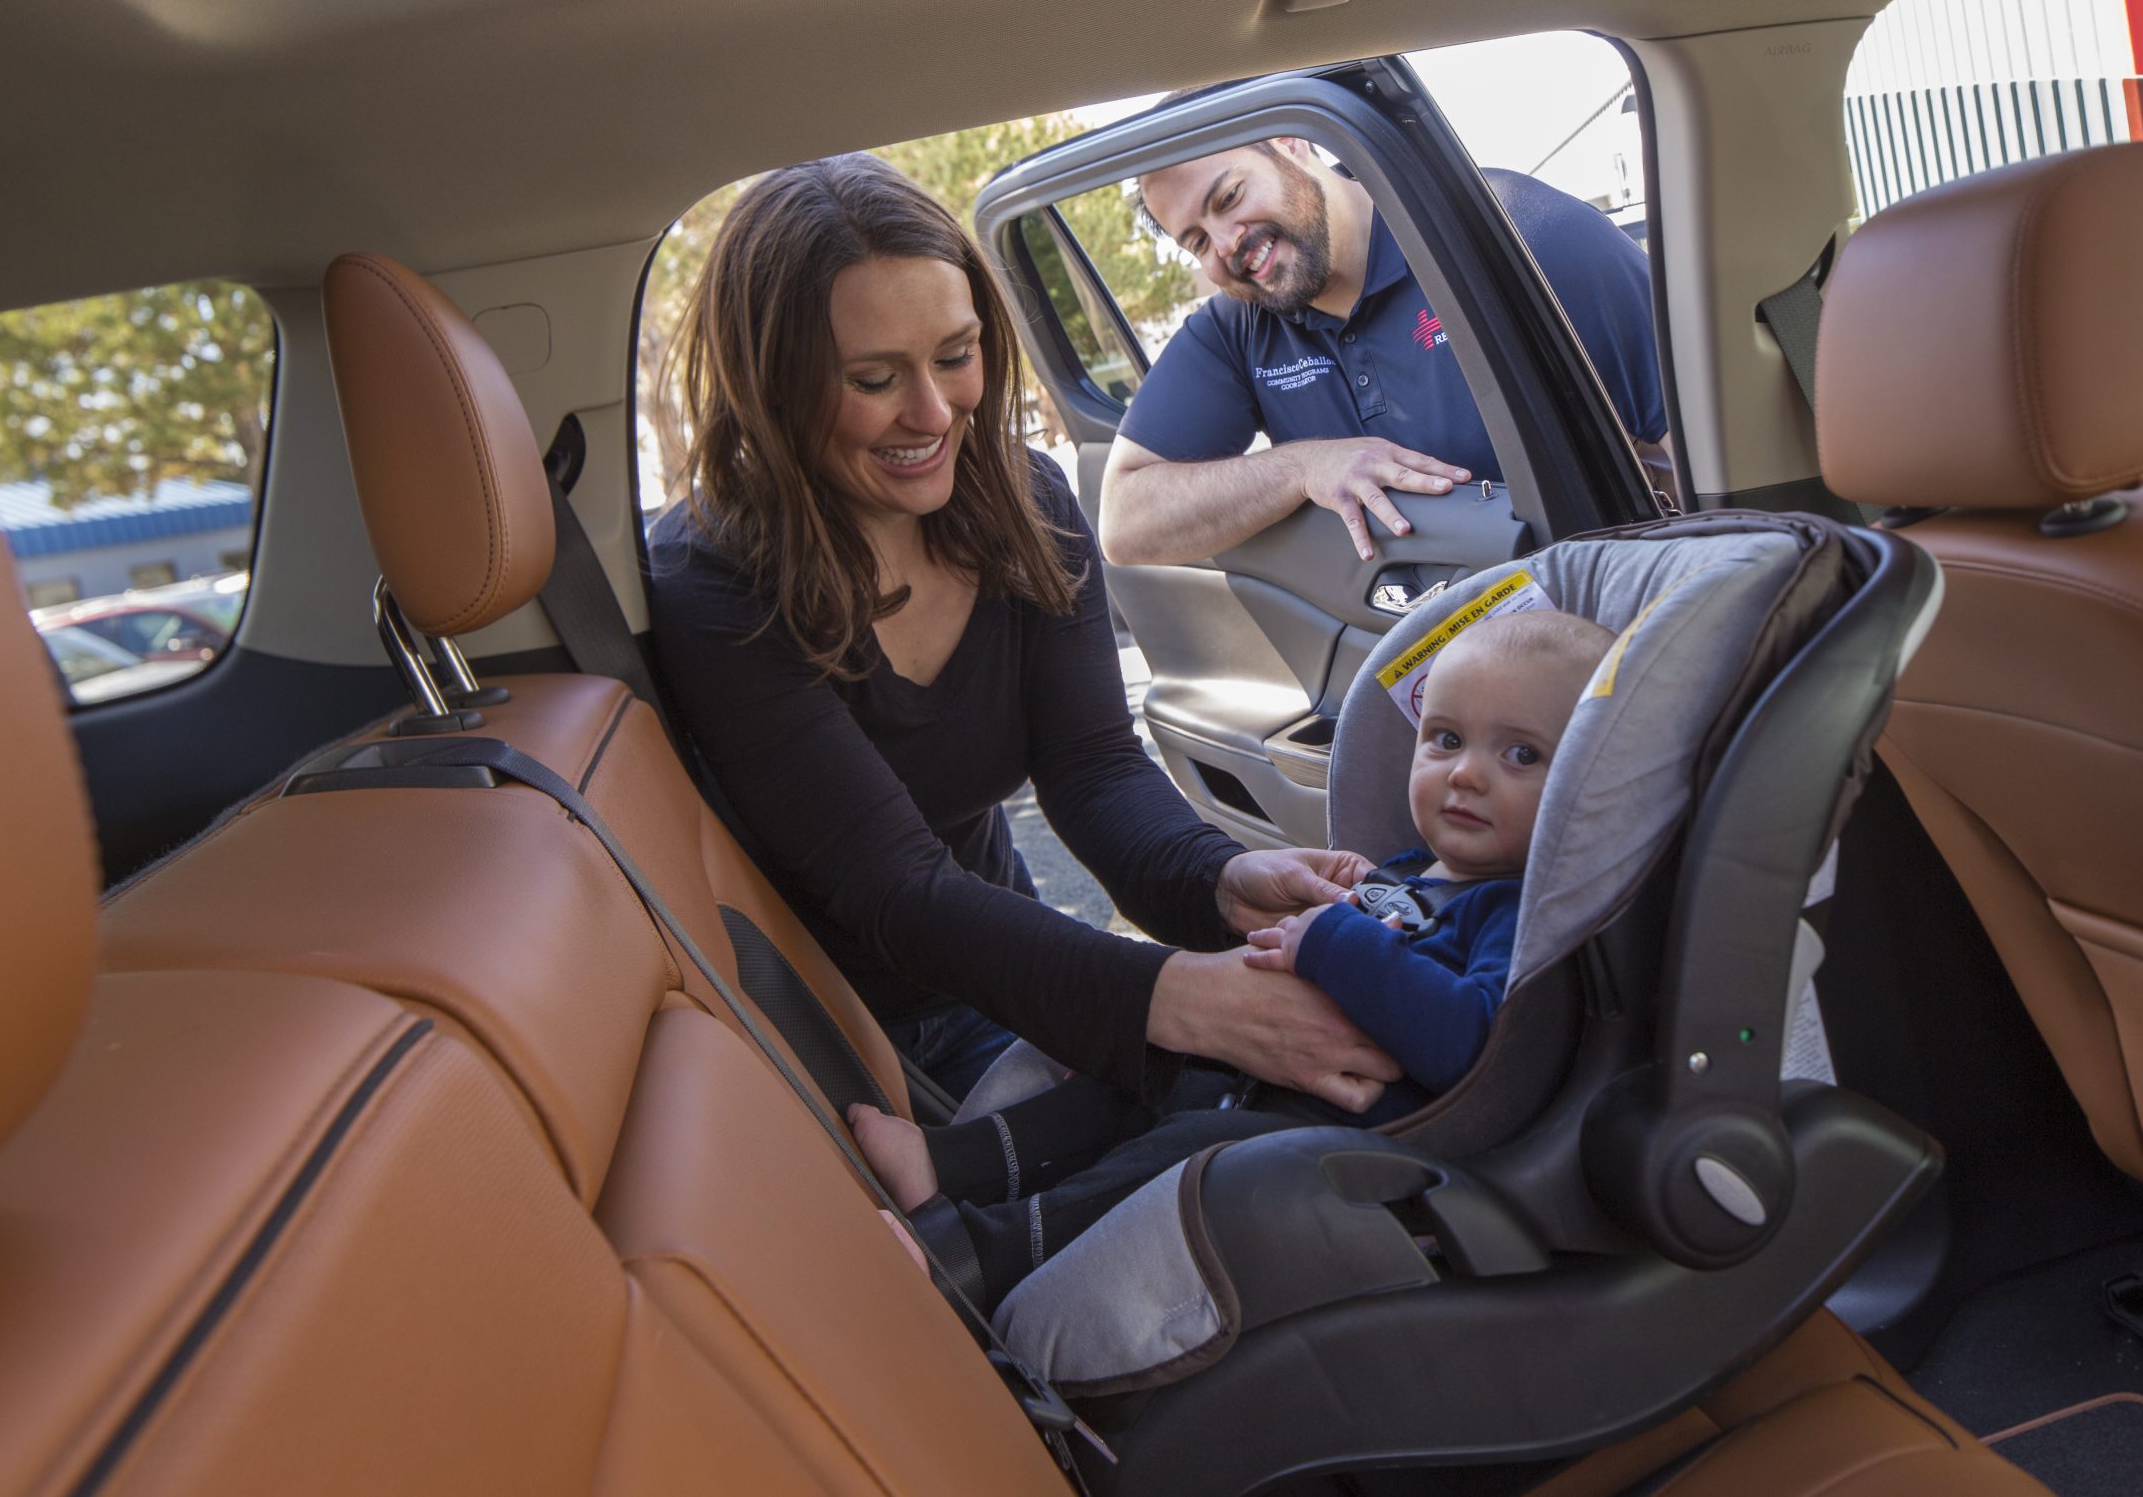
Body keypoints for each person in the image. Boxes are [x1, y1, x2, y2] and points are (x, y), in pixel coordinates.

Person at [645, 154, 1401, 1107]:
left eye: (956, 355)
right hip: (817, 1035)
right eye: (874, 378)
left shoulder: (1025, 499)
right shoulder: (711, 574)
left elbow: (1090, 767)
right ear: (774, 385)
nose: (933, 413)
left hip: (1004, 973)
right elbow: (888, 883)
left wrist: (1219, 878)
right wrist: (1175, 998)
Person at [847, 608, 1617, 1309]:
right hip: (1265, 1071)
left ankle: (982, 1253)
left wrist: (1334, 939)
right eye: (1445, 739)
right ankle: (949, 1164)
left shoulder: (1515, 909)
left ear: (1584, 787)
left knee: (1174, 1157)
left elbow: (1470, 1045)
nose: (1466, 773)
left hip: (1332, 1132)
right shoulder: (1413, 869)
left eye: (1520, 753)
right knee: (1133, 1070)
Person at [1101, 135, 1667, 566]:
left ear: (1290, 142)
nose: (1226, 245)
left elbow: (1712, 448)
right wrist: (1305, 466)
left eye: (1229, 197)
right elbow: (1124, 523)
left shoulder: (1519, 236)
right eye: (1197, 240)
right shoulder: (1237, 330)